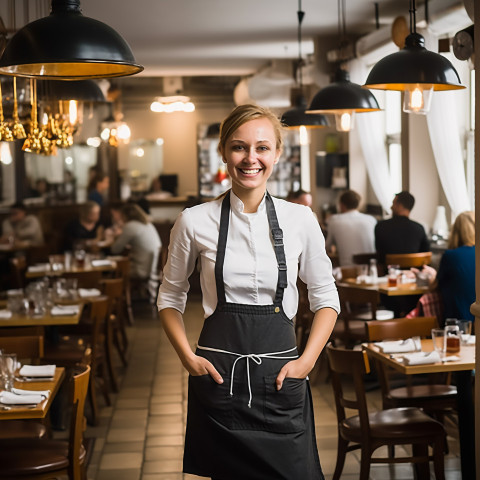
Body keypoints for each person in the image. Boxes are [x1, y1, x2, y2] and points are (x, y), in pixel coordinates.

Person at [157, 104, 339, 480]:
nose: (250, 158)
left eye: (262, 147)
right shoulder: (193, 220)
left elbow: (326, 298)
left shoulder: (300, 219)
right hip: (219, 377)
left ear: (277, 153)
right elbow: (169, 298)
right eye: (239, 147)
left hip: (281, 375)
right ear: (224, 152)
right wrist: (188, 358)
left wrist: (305, 363)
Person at [411, 211, 475, 327]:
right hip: (476, 320)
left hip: (458, 323)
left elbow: (435, 286)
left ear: (455, 232)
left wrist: (431, 276)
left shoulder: (451, 256)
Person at [110, 203, 161, 280]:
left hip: (140, 269)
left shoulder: (130, 226)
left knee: (114, 269)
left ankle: (116, 291)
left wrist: (116, 236)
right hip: (153, 268)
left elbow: (115, 249)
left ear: (124, 215)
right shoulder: (148, 224)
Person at [375, 191, 430, 262]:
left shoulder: (381, 226)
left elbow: (379, 254)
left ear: (400, 206)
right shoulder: (419, 228)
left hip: (388, 271)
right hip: (412, 271)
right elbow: (425, 254)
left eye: (393, 203)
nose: (391, 207)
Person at [325, 189, 377, 266]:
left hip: (348, 271)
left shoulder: (333, 220)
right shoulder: (372, 220)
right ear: (358, 204)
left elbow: (327, 247)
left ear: (341, 205)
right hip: (371, 268)